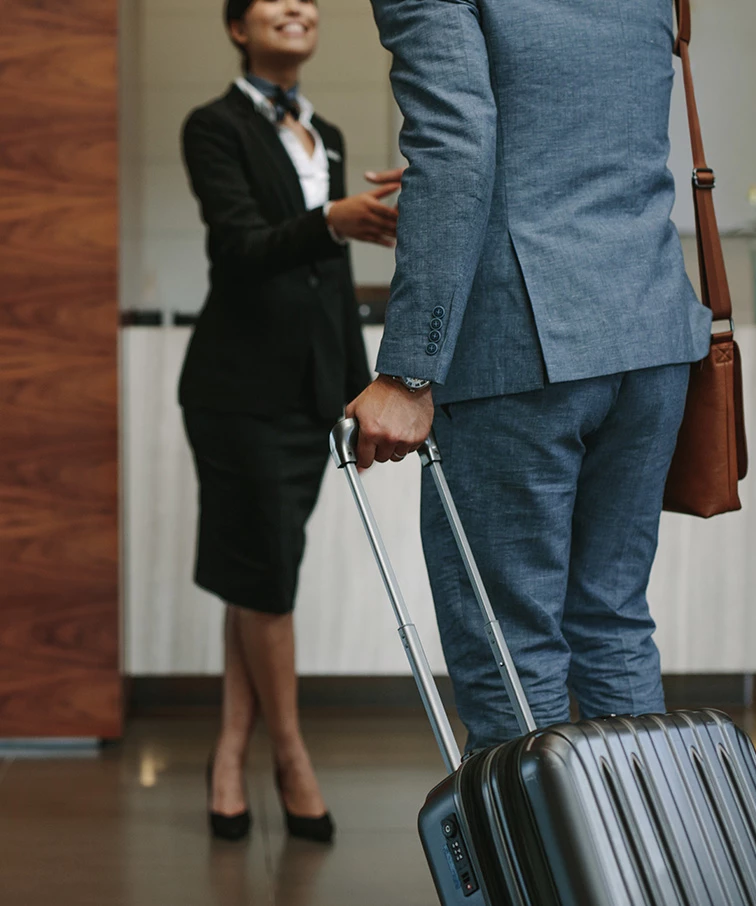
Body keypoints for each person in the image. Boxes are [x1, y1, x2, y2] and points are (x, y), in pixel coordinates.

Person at [347, 0, 713, 753]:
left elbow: (454, 143)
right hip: (650, 328)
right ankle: (639, 868)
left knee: (512, 646)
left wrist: (409, 369)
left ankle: (540, 873)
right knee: (612, 623)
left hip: (522, 342)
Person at [179, 0, 399, 841]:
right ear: (239, 25)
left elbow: (328, 283)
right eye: (277, 0)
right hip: (237, 389)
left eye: (308, 0)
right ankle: (290, 755)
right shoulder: (214, 126)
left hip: (311, 387)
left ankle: (230, 747)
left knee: (257, 572)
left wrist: (361, 386)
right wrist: (330, 220)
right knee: (266, 574)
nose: (299, 8)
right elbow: (239, 247)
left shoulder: (328, 132)